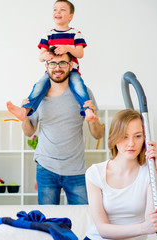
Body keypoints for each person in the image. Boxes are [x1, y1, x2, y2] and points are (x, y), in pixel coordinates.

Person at [21, 47, 104, 205]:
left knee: (82, 217)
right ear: (46, 66)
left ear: (71, 66)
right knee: (48, 221)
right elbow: (29, 131)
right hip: (46, 168)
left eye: (62, 63)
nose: (57, 68)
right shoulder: (38, 97)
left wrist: (93, 120)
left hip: (76, 169)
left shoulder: (84, 94)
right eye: (52, 63)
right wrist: (24, 118)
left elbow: (98, 134)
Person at [7, 0, 97, 122]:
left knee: (79, 86)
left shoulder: (75, 33)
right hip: (52, 72)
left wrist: (68, 48)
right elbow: (40, 57)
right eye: (55, 9)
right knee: (39, 86)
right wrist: (46, 55)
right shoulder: (48, 35)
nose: (58, 12)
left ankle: (87, 110)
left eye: (62, 9)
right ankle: (25, 110)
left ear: (71, 16)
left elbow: (80, 53)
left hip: (72, 71)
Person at [84, 109, 157, 240]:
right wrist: (143, 228)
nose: (131, 143)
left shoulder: (154, 169)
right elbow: (102, 229)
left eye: (138, 136)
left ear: (145, 139)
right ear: (114, 137)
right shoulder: (95, 173)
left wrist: (156, 171)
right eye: (124, 136)